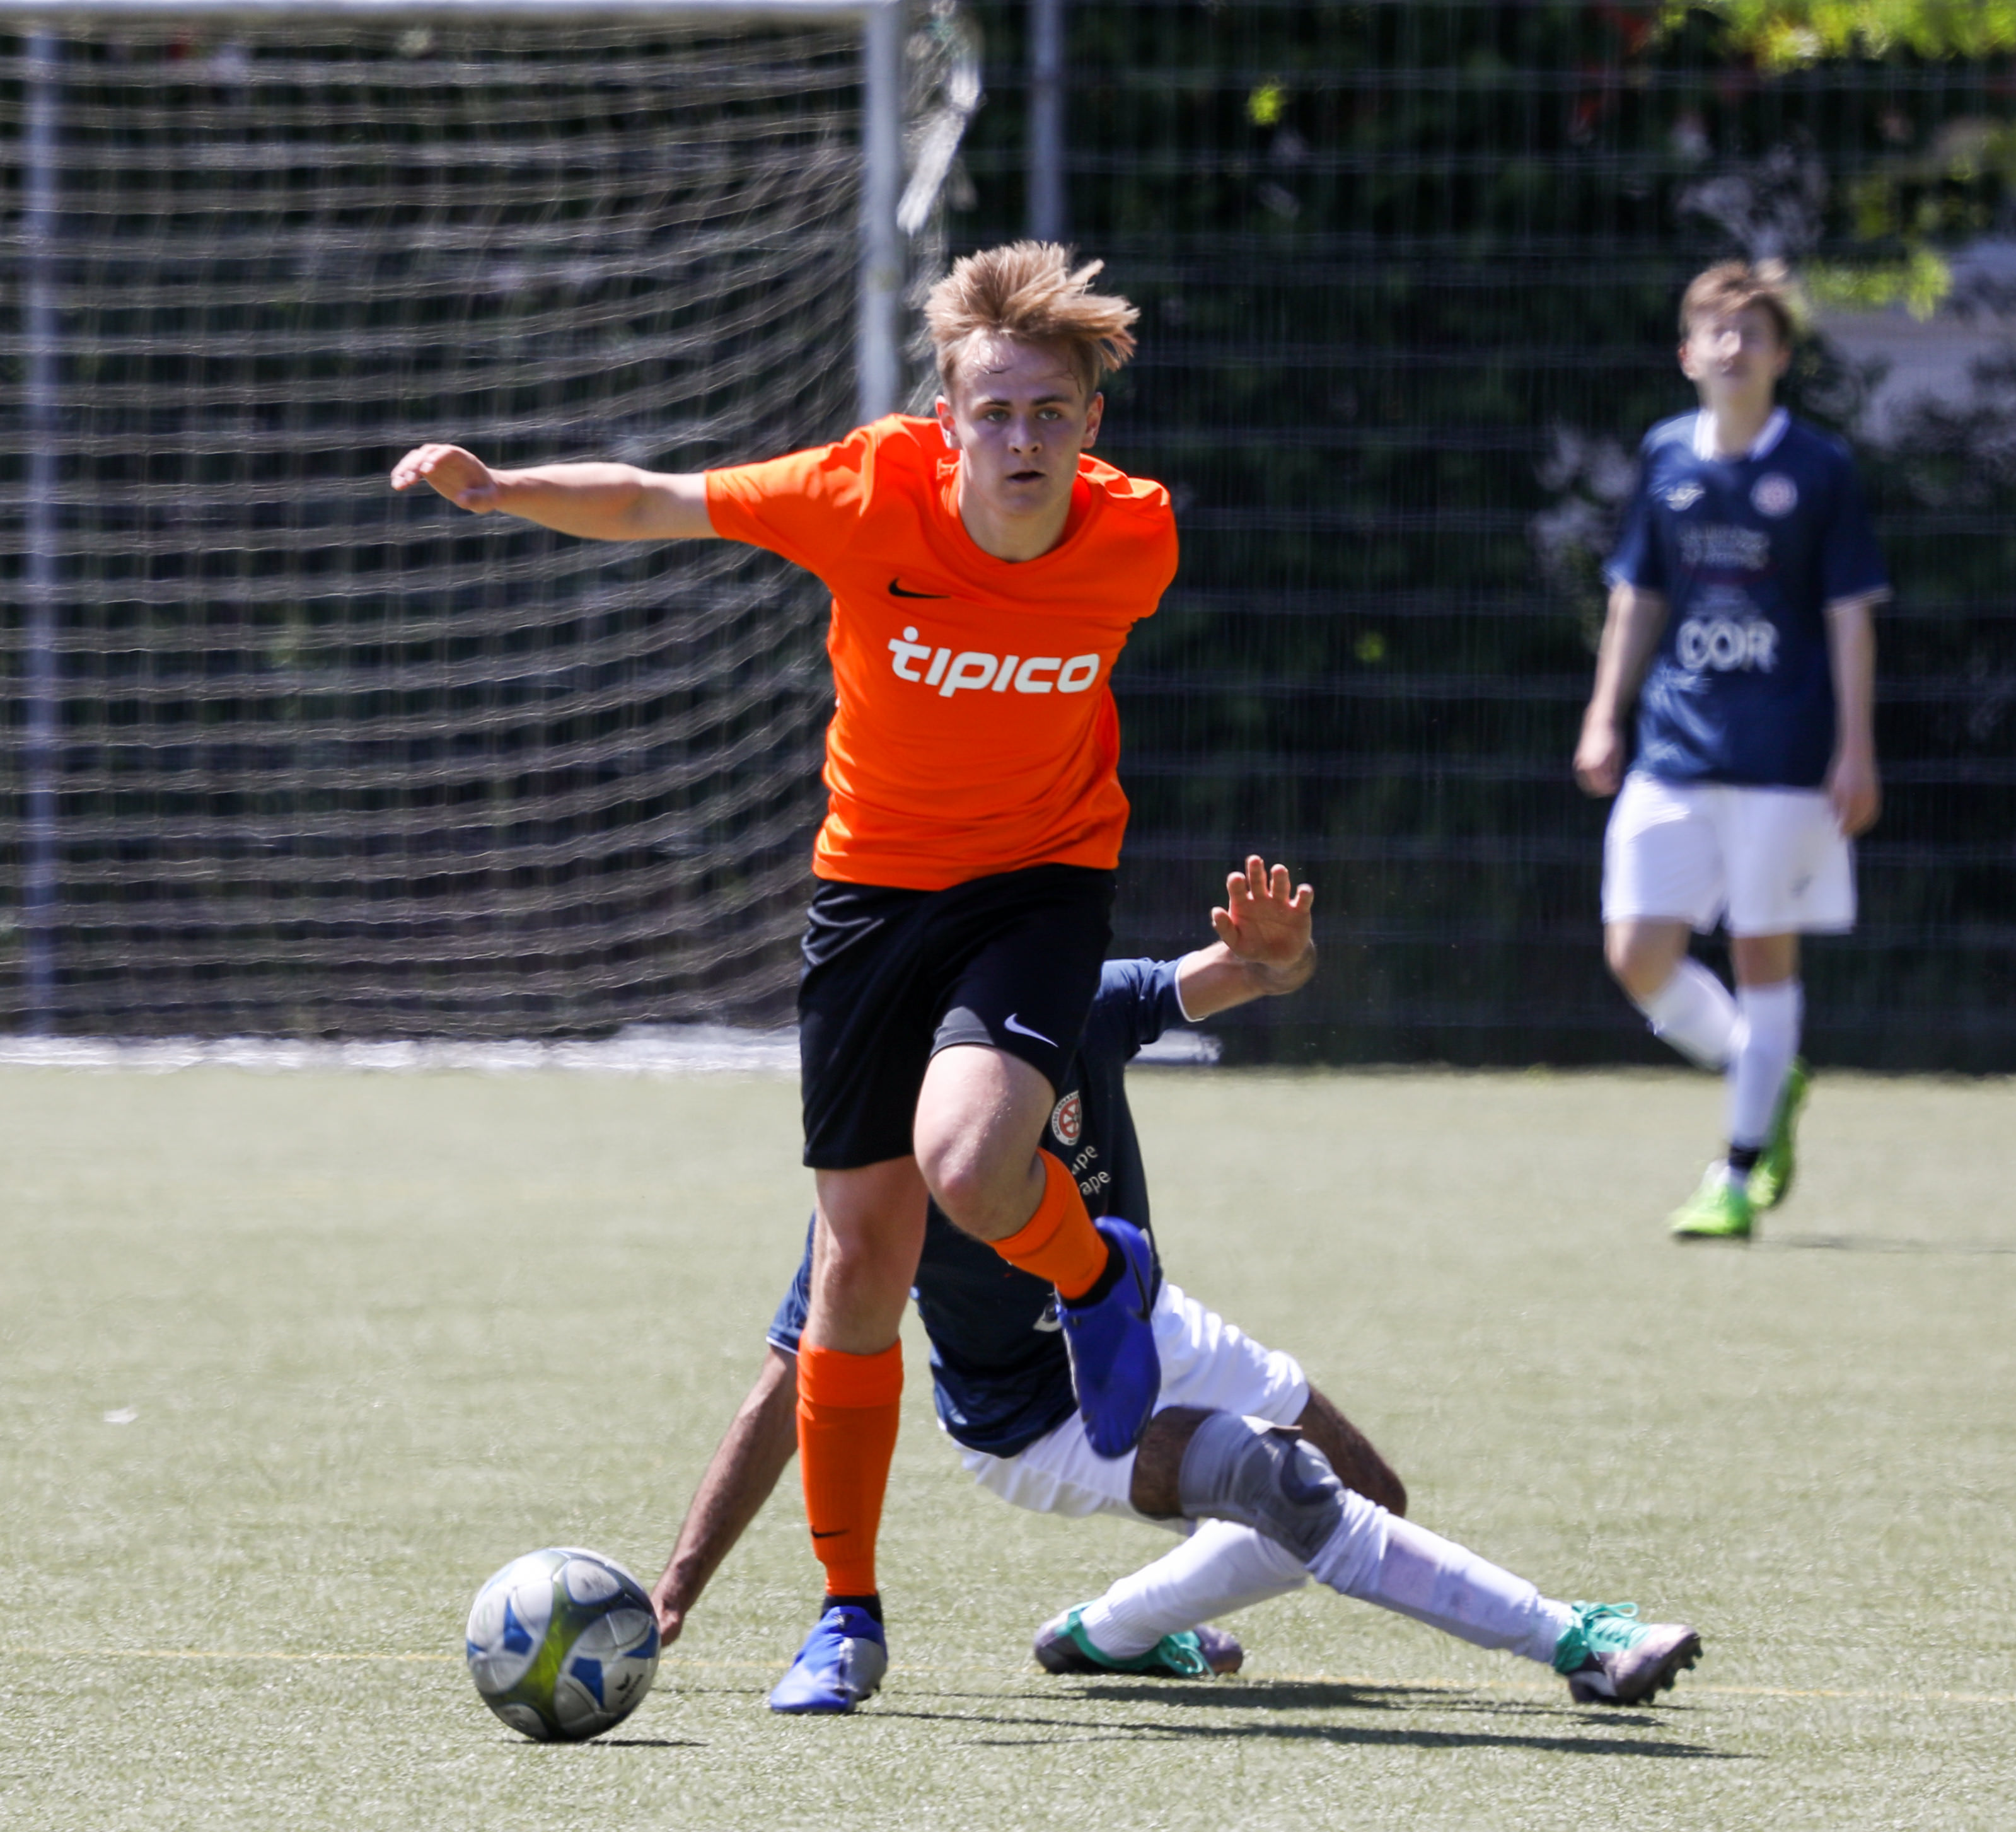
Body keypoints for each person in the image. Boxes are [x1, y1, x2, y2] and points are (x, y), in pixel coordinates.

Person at [395, 244, 1181, 1710]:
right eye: (993, 411)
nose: (1020, 439)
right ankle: (846, 1614)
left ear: (1090, 423)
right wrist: (501, 488)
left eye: (1048, 413)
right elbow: (655, 499)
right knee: (856, 1270)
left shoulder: (1135, 537)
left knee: (968, 1166)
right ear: (945, 420)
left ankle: (1090, 1273)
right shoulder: (860, 491)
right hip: (869, 899)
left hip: (1038, 885)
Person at [651, 861, 1705, 1711]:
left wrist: (1281, 957)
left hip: (1153, 1323)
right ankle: (1576, 1640)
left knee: (1369, 1496)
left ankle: (1111, 1632)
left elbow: (1241, 974)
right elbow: (788, 1388)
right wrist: (674, 1593)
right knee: (1282, 1485)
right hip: (1038, 1420)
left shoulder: (1070, 1005)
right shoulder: (886, 1169)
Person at [1575, 259, 1888, 1241]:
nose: (1734, 346)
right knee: (1636, 953)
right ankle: (1768, 1070)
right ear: (1687, 353)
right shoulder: (1666, 455)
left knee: (1762, 954)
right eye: (1717, 330)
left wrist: (1856, 749)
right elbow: (1638, 595)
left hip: (1785, 756)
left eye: (1753, 332)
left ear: (1782, 355)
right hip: (1674, 747)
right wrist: (1603, 713)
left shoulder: (1821, 468)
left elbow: (1849, 616)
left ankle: (1739, 1171)